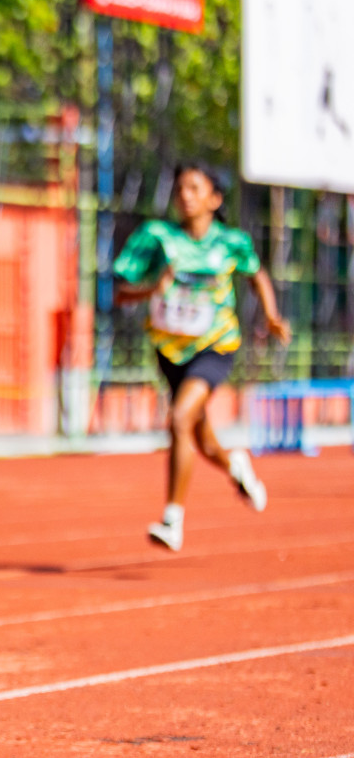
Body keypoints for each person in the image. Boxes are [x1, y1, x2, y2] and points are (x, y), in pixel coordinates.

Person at [114, 164, 291, 551]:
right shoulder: (156, 238)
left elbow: (257, 274)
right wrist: (151, 289)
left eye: (195, 188)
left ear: (215, 198)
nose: (185, 195)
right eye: (180, 188)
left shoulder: (231, 242)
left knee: (179, 419)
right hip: (169, 350)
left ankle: (172, 519)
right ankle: (236, 466)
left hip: (215, 346)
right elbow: (120, 292)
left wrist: (271, 314)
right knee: (201, 436)